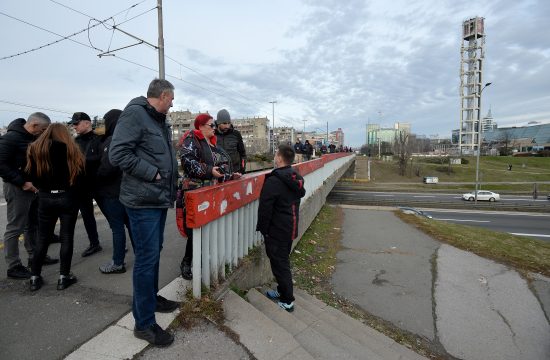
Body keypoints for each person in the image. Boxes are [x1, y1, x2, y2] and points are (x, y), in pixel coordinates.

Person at [109, 79, 179, 347]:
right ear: (162, 96)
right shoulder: (135, 114)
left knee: (153, 252)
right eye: (171, 99)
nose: (172, 104)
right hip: (142, 200)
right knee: (146, 259)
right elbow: (117, 154)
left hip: (157, 198)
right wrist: (153, 173)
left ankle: (152, 298)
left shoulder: (158, 119)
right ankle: (144, 323)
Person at [178, 113, 241, 280]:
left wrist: (229, 175)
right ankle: (187, 262)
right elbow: (188, 162)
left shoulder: (212, 144)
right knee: (194, 229)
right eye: (211, 125)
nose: (214, 128)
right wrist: (208, 171)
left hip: (209, 191)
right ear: (201, 126)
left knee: (207, 228)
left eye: (214, 125)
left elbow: (219, 167)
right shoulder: (191, 140)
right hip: (194, 192)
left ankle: (203, 261)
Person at [26, 123, 85, 291]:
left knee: (42, 237)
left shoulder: (36, 150)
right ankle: (63, 277)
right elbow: (80, 176)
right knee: (67, 237)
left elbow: (31, 175)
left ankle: (35, 277)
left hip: (45, 197)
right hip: (67, 196)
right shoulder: (71, 149)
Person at [0, 113, 58, 280]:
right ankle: (14, 266)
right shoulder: (11, 138)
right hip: (18, 188)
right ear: (34, 125)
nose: (44, 132)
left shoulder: (31, 137)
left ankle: (35, 257)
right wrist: (22, 182)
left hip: (33, 188)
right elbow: (1, 164)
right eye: (43, 129)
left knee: (32, 224)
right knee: (15, 228)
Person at [257, 144, 306, 312]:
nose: (274, 156)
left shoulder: (275, 180)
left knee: (280, 265)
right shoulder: (295, 177)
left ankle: (288, 300)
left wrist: (264, 230)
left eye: (276, 154)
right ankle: (281, 291)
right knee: (282, 260)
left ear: (279, 158)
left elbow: (265, 208)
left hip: (277, 230)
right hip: (290, 228)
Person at [95, 109, 133, 274]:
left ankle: (118, 262)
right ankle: (142, 256)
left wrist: (96, 175)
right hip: (127, 190)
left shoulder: (111, 140)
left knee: (117, 228)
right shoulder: (128, 137)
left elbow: (108, 168)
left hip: (112, 192)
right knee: (131, 225)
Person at [69, 112, 102, 257]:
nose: (74, 126)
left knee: (113, 215)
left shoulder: (100, 139)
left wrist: (85, 161)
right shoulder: (75, 142)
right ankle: (94, 244)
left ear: (87, 123)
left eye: (77, 123)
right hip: (82, 185)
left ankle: (119, 242)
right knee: (88, 216)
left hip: (101, 183)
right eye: (73, 124)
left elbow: (104, 159)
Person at [214, 109, 246, 174]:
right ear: (218, 123)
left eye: (229, 123)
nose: (227, 126)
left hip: (235, 172)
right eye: (224, 123)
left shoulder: (236, 134)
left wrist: (242, 170)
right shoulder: (213, 134)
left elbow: (242, 154)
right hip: (219, 174)